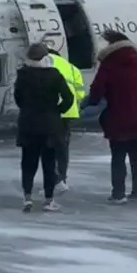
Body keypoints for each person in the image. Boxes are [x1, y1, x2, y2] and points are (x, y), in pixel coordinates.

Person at [86, 30, 137, 204]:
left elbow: (96, 91)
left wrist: (94, 103)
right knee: (136, 154)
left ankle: (118, 194)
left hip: (117, 117)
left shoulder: (109, 66)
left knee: (118, 156)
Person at [14, 43, 74, 212]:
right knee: (49, 164)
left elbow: (18, 97)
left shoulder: (23, 74)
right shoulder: (54, 75)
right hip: (50, 125)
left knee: (28, 163)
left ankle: (27, 198)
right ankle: (48, 200)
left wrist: (27, 109)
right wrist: (57, 111)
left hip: (28, 124)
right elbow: (68, 98)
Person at [46, 47, 85, 194]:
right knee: (63, 148)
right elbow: (80, 93)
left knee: (48, 147)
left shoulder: (46, 64)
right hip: (69, 112)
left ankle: (52, 179)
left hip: (51, 112)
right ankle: (62, 178)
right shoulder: (72, 68)